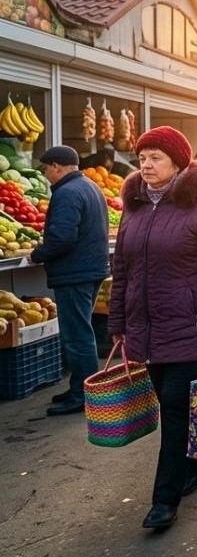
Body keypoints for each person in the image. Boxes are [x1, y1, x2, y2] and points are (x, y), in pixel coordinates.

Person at [108, 126, 197, 530]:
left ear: (178, 164)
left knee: (175, 408)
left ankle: (164, 500)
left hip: (190, 326)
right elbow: (122, 270)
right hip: (145, 328)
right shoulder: (133, 205)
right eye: (142, 157)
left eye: (156, 158)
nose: (146, 165)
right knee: (174, 404)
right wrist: (117, 322)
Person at [30, 146, 109, 417]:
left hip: (75, 272)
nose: (46, 175)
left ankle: (83, 395)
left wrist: (37, 254)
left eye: (46, 169)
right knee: (81, 331)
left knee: (77, 336)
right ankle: (80, 386)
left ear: (56, 167)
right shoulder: (89, 186)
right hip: (91, 268)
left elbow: (62, 238)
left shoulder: (66, 193)